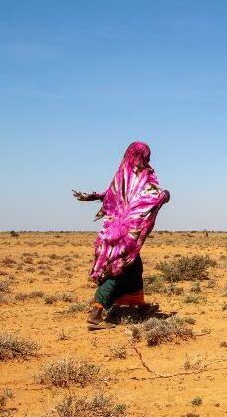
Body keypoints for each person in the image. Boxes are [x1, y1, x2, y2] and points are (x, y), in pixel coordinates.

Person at [73, 141, 170, 330]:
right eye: (147, 155)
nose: (148, 158)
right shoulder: (141, 175)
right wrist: (164, 195)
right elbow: (150, 196)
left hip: (113, 231)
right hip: (128, 234)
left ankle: (140, 306)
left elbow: (111, 194)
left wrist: (94, 196)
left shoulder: (122, 176)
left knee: (135, 267)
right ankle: (96, 314)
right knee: (117, 270)